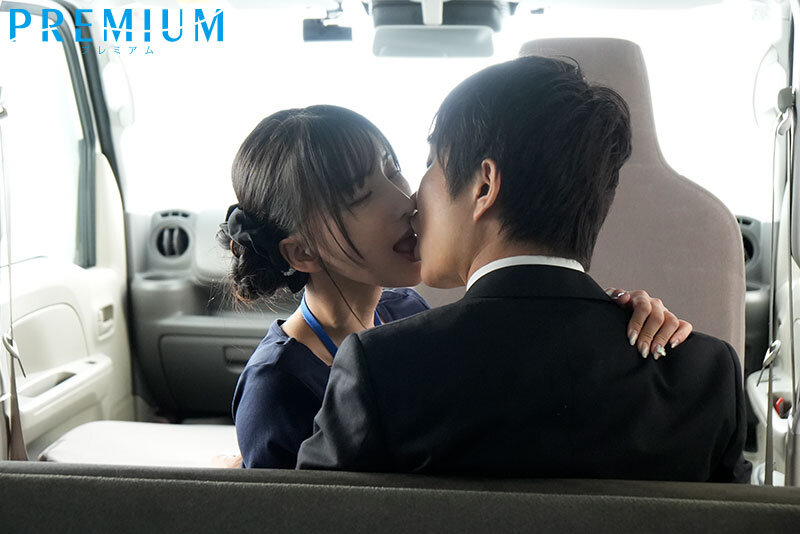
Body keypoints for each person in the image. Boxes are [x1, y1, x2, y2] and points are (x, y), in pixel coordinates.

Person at [295, 57, 751, 483]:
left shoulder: (383, 370)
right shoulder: (705, 376)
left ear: (484, 186)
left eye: (432, 163)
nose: (413, 200)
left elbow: (306, 515)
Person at [219, 105, 692, 470]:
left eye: (393, 169)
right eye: (361, 195)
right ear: (302, 252)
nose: (404, 200)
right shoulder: (275, 386)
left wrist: (608, 320)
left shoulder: (406, 310)